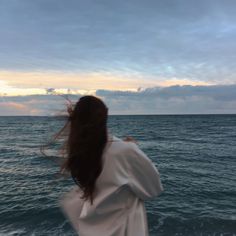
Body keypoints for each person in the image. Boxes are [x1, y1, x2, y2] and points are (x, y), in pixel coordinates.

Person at [57, 95, 163, 236]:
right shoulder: (125, 151)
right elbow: (153, 189)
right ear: (105, 116)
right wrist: (133, 150)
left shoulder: (80, 153)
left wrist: (128, 149)